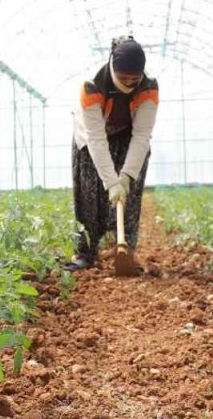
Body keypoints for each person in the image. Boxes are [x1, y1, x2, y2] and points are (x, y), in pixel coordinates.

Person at [66, 36, 158, 273]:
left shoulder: (148, 88)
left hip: (127, 137)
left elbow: (142, 136)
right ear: (112, 69)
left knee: (130, 195)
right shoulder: (92, 87)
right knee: (89, 194)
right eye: (124, 78)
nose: (129, 84)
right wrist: (111, 182)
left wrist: (126, 177)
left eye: (134, 79)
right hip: (91, 138)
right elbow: (96, 138)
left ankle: (126, 252)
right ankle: (85, 253)